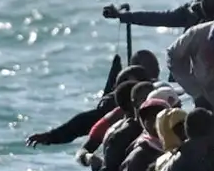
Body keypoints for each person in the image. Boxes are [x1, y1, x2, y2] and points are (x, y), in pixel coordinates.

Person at [26, 51, 160, 148]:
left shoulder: (162, 97)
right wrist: (50, 136)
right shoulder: (115, 108)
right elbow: (82, 124)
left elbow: (81, 124)